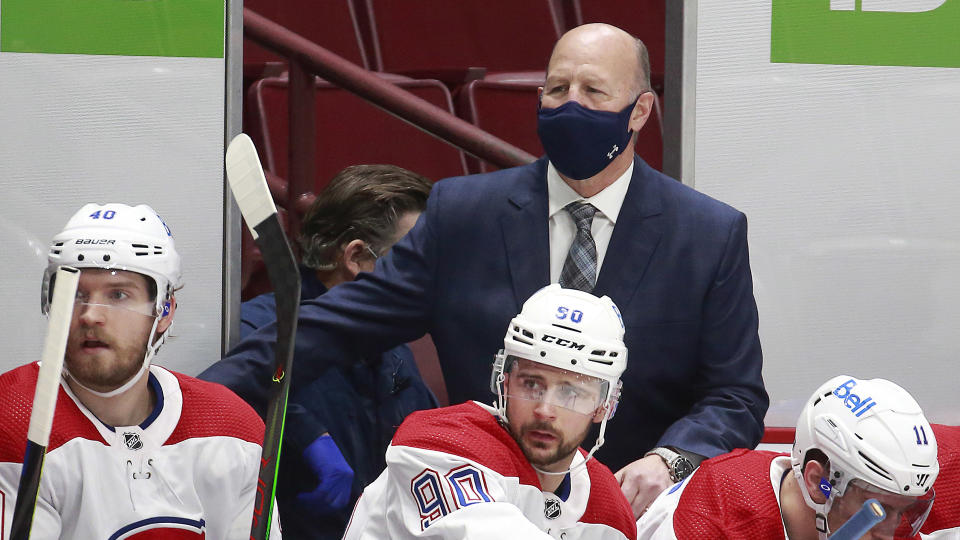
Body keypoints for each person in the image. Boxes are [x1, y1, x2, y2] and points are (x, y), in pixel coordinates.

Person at [203, 22, 768, 518]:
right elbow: (330, 330)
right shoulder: (463, 215)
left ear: (640, 109)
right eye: (556, 89)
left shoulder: (707, 235)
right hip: (473, 510)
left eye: (594, 91)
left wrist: (668, 462)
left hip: (624, 515)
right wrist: (188, 403)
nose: (570, 104)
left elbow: (733, 397)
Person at [0, 203, 280, 539]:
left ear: (164, 311)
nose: (90, 315)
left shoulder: (233, 429)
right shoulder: (14, 420)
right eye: (75, 294)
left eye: (118, 294)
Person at [204, 165, 438, 539]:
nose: (429, 274)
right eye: (414, 259)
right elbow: (212, 397)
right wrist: (305, 433)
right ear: (357, 257)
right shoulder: (259, 327)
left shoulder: (393, 346)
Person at [343, 285, 636, 539]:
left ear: (605, 406)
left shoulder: (610, 509)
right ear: (504, 381)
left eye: (570, 392)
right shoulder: (440, 444)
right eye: (531, 383)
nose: (545, 409)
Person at [635, 375, 939, 540]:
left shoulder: (888, 516)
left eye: (904, 511)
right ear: (818, 481)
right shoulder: (719, 512)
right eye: (878, 508)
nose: (889, 534)